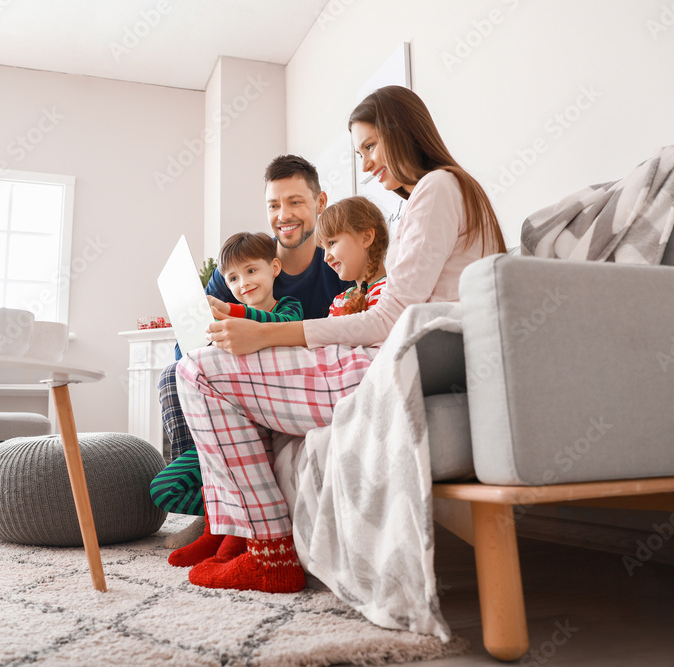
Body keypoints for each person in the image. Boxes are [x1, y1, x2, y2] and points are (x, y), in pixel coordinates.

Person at [175, 85, 507, 594]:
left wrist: (266, 334)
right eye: (361, 152)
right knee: (204, 364)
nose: (368, 164)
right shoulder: (451, 192)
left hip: (390, 367)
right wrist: (246, 323)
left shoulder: (438, 188)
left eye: (371, 146)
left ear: (401, 133)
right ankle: (235, 535)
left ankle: (269, 553)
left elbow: (387, 320)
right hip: (395, 358)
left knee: (196, 372)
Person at [158, 156, 352, 470]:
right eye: (273, 205)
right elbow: (187, 346)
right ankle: (200, 477)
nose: (283, 215)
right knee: (172, 375)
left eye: (295, 202)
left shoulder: (338, 265)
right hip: (243, 377)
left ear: (320, 203)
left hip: (304, 382)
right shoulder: (240, 271)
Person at [150, 232, 303, 566]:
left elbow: (283, 325)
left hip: (260, 427)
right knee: (163, 489)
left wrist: (231, 313)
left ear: (274, 268)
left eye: (251, 271)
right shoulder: (224, 324)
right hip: (221, 430)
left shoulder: (289, 309)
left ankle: (231, 519)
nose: (243, 282)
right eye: (233, 278)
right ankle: (218, 518)